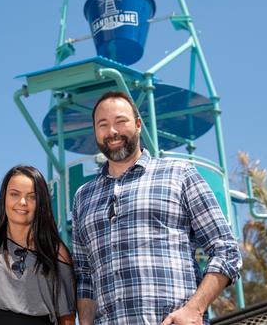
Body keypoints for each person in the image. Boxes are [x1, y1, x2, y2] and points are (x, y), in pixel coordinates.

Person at [72, 91, 242, 325]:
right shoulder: (83, 197)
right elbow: (84, 276)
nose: (112, 131)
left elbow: (226, 250)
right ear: (95, 132)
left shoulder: (179, 174)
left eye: (120, 121)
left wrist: (194, 309)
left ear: (138, 124)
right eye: (103, 124)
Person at [0, 165, 76, 325]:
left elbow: (67, 319)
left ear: (41, 202)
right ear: (4, 197)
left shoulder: (56, 252)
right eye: (14, 194)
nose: (22, 202)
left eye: (32, 196)